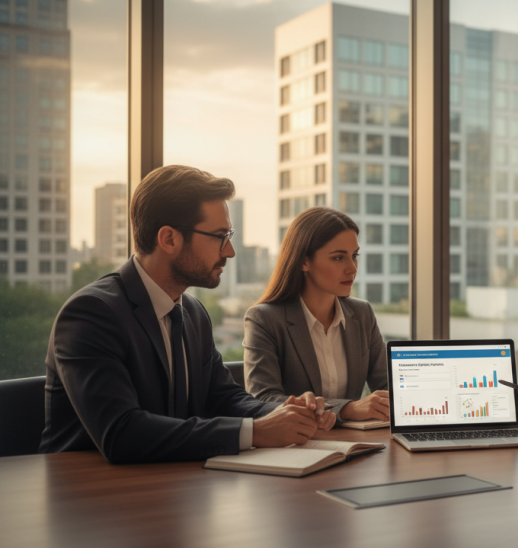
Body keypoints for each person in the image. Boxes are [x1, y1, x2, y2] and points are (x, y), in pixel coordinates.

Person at [40, 166, 334, 464]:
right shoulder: (91, 314)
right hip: (87, 495)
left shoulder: (192, 311)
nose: (230, 251)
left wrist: (288, 412)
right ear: (169, 239)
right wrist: (256, 432)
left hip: (171, 485)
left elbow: (223, 398)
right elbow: (122, 433)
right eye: (220, 236)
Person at [243, 207, 389, 424]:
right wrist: (347, 409)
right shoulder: (264, 319)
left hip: (356, 444)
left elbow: (387, 386)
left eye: (355, 256)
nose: (352, 268)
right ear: (304, 261)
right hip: (296, 448)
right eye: (338, 258)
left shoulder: (362, 313)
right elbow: (263, 400)